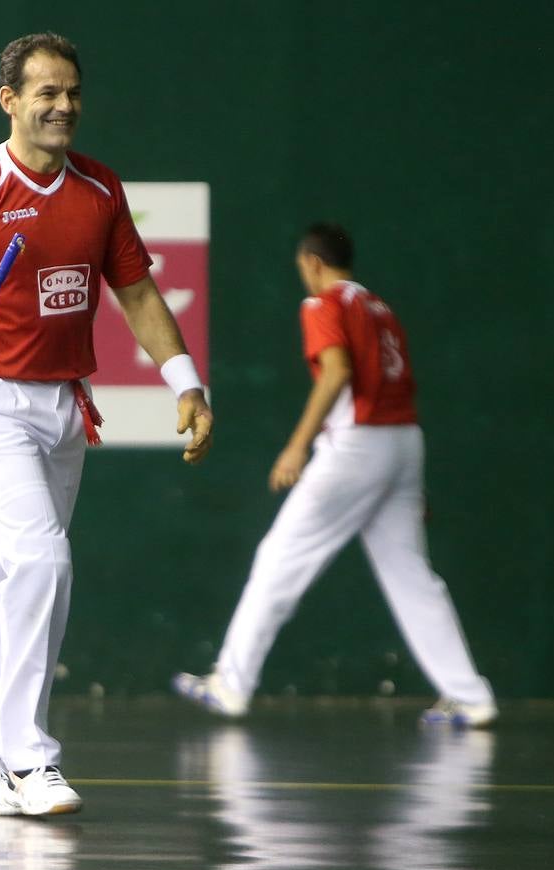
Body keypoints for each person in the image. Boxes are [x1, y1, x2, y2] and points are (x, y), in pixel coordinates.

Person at [0, 32, 213, 816]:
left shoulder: (99, 190)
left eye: (72, 92)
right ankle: (29, 758)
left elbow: (135, 291)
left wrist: (185, 381)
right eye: (46, 93)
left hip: (64, 406)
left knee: (13, 574)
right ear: (9, 101)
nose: (63, 106)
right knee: (40, 560)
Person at [173, 223, 496, 727]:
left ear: (312, 262)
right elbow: (396, 384)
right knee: (413, 577)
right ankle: (471, 697)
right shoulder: (380, 309)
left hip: (355, 447)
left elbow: (338, 370)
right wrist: (406, 479)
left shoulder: (323, 304)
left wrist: (297, 446)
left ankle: (231, 685)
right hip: (402, 442)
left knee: (279, 557)